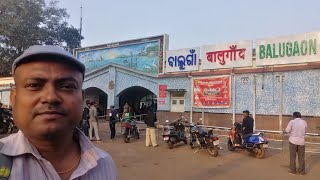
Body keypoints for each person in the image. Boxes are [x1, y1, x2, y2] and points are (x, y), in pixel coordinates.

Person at [0, 45, 116, 180]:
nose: (50, 98)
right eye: (34, 85)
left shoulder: (104, 164)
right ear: (14, 98)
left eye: (67, 86)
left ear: (82, 99)